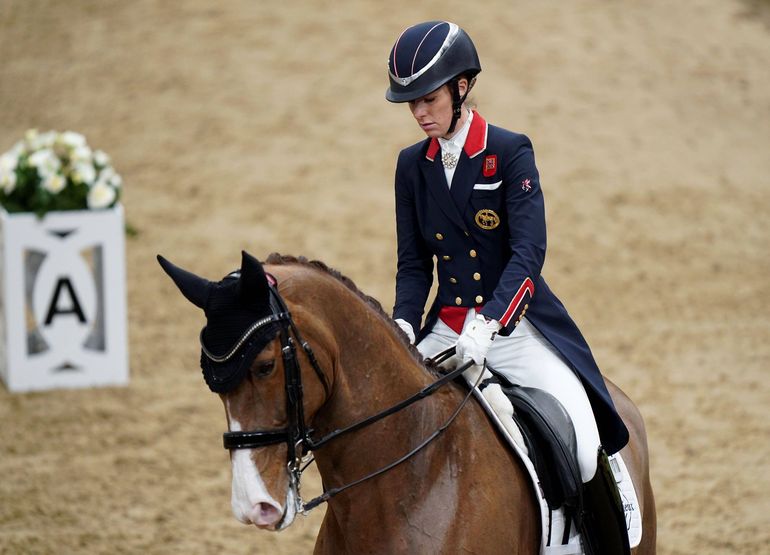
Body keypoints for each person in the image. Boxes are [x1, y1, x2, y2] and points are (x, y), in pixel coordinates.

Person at [386, 20, 630, 495]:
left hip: (511, 327)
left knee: (582, 443)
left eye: (428, 99)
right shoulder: (411, 166)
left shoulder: (509, 151)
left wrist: (491, 321)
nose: (419, 112)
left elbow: (528, 251)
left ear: (461, 88)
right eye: (411, 102)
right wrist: (403, 326)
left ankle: (611, 510)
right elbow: (414, 264)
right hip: (448, 326)